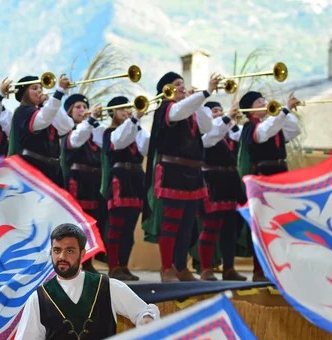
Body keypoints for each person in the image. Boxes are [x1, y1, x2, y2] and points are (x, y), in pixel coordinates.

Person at [3, 223, 159, 340]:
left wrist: (147, 320)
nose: (62, 257)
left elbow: (144, 312)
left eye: (69, 250)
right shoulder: (39, 298)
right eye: (57, 250)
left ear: (82, 253)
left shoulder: (107, 287)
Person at [143, 72, 219, 282]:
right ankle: (166, 268)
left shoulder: (189, 109)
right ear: (167, 89)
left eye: (183, 84)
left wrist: (200, 101)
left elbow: (207, 126)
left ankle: (181, 267)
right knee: (171, 223)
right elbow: (177, 112)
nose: (182, 87)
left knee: (187, 224)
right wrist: (205, 92)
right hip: (173, 172)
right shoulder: (166, 109)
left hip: (193, 173)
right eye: (177, 84)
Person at [238, 91, 301, 282]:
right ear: (250, 109)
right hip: (263, 176)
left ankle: (278, 268)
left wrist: (284, 112)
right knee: (262, 223)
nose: (264, 103)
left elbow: (294, 129)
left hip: (280, 175)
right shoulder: (250, 127)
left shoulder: (274, 124)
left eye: (264, 100)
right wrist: (283, 111)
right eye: (259, 101)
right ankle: (259, 270)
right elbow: (263, 134)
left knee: (279, 222)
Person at [197, 101, 247, 281]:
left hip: (230, 182)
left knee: (230, 228)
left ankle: (229, 268)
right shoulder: (205, 131)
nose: (218, 113)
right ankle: (205, 269)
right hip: (213, 181)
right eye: (214, 111)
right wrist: (225, 119)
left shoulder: (228, 130)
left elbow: (241, 138)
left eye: (220, 110)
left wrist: (232, 123)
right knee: (211, 226)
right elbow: (211, 137)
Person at [102, 97, 150, 281]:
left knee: (129, 228)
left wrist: (138, 123)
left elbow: (145, 148)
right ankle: (113, 266)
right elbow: (119, 141)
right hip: (119, 179)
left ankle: (124, 265)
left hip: (136, 180)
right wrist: (135, 119)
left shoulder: (135, 129)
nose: (126, 111)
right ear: (112, 112)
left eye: (128, 108)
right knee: (116, 226)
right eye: (121, 109)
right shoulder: (110, 132)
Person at [61, 94, 106, 275]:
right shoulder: (68, 130)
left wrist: (94, 122)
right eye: (78, 107)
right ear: (70, 112)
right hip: (77, 180)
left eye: (84, 106)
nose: (82, 110)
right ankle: (72, 262)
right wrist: (91, 119)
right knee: (76, 224)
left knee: (93, 223)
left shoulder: (92, 130)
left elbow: (106, 141)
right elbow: (76, 139)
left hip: (93, 181)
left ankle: (88, 262)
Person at [8, 74, 74, 187]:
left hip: (54, 172)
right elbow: (42, 120)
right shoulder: (22, 111)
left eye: (40, 88)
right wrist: (58, 93)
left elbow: (67, 126)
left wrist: (48, 103)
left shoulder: (46, 110)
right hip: (32, 169)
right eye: (34, 88)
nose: (40, 91)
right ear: (25, 94)